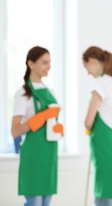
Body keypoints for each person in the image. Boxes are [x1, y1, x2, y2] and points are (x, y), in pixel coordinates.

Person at [10, 46, 62, 206]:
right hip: (33, 155)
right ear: (31, 64)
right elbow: (15, 130)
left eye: (50, 62)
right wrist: (39, 118)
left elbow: (51, 123)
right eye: (44, 62)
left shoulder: (51, 92)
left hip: (49, 154)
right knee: (34, 202)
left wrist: (58, 129)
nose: (49, 66)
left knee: (46, 201)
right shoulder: (23, 93)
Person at [82, 46, 112, 206]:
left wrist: (87, 126)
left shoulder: (99, 83)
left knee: (106, 186)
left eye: (86, 68)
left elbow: (88, 121)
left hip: (104, 141)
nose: (87, 72)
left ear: (92, 61)